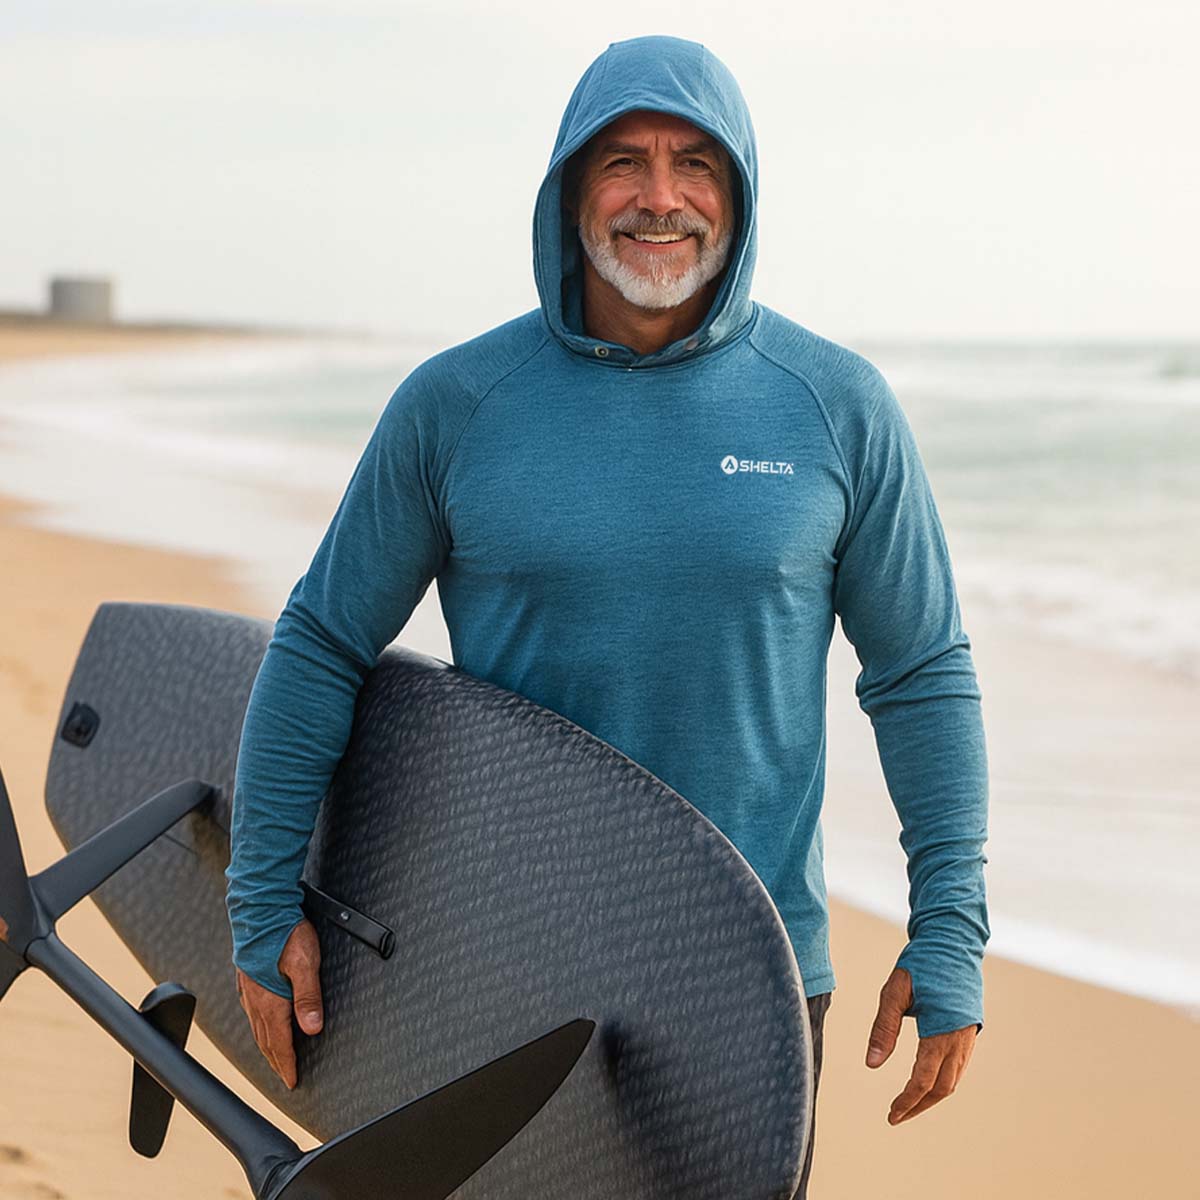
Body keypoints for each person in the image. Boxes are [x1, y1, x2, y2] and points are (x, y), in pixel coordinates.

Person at [226, 34, 989, 1196]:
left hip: (753, 973)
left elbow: (921, 671)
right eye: (623, 162)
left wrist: (951, 931)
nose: (661, 198)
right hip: (504, 960)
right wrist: (263, 895)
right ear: (571, 190)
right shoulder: (456, 407)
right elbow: (324, 640)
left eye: (697, 163)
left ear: (737, 195)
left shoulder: (837, 409)